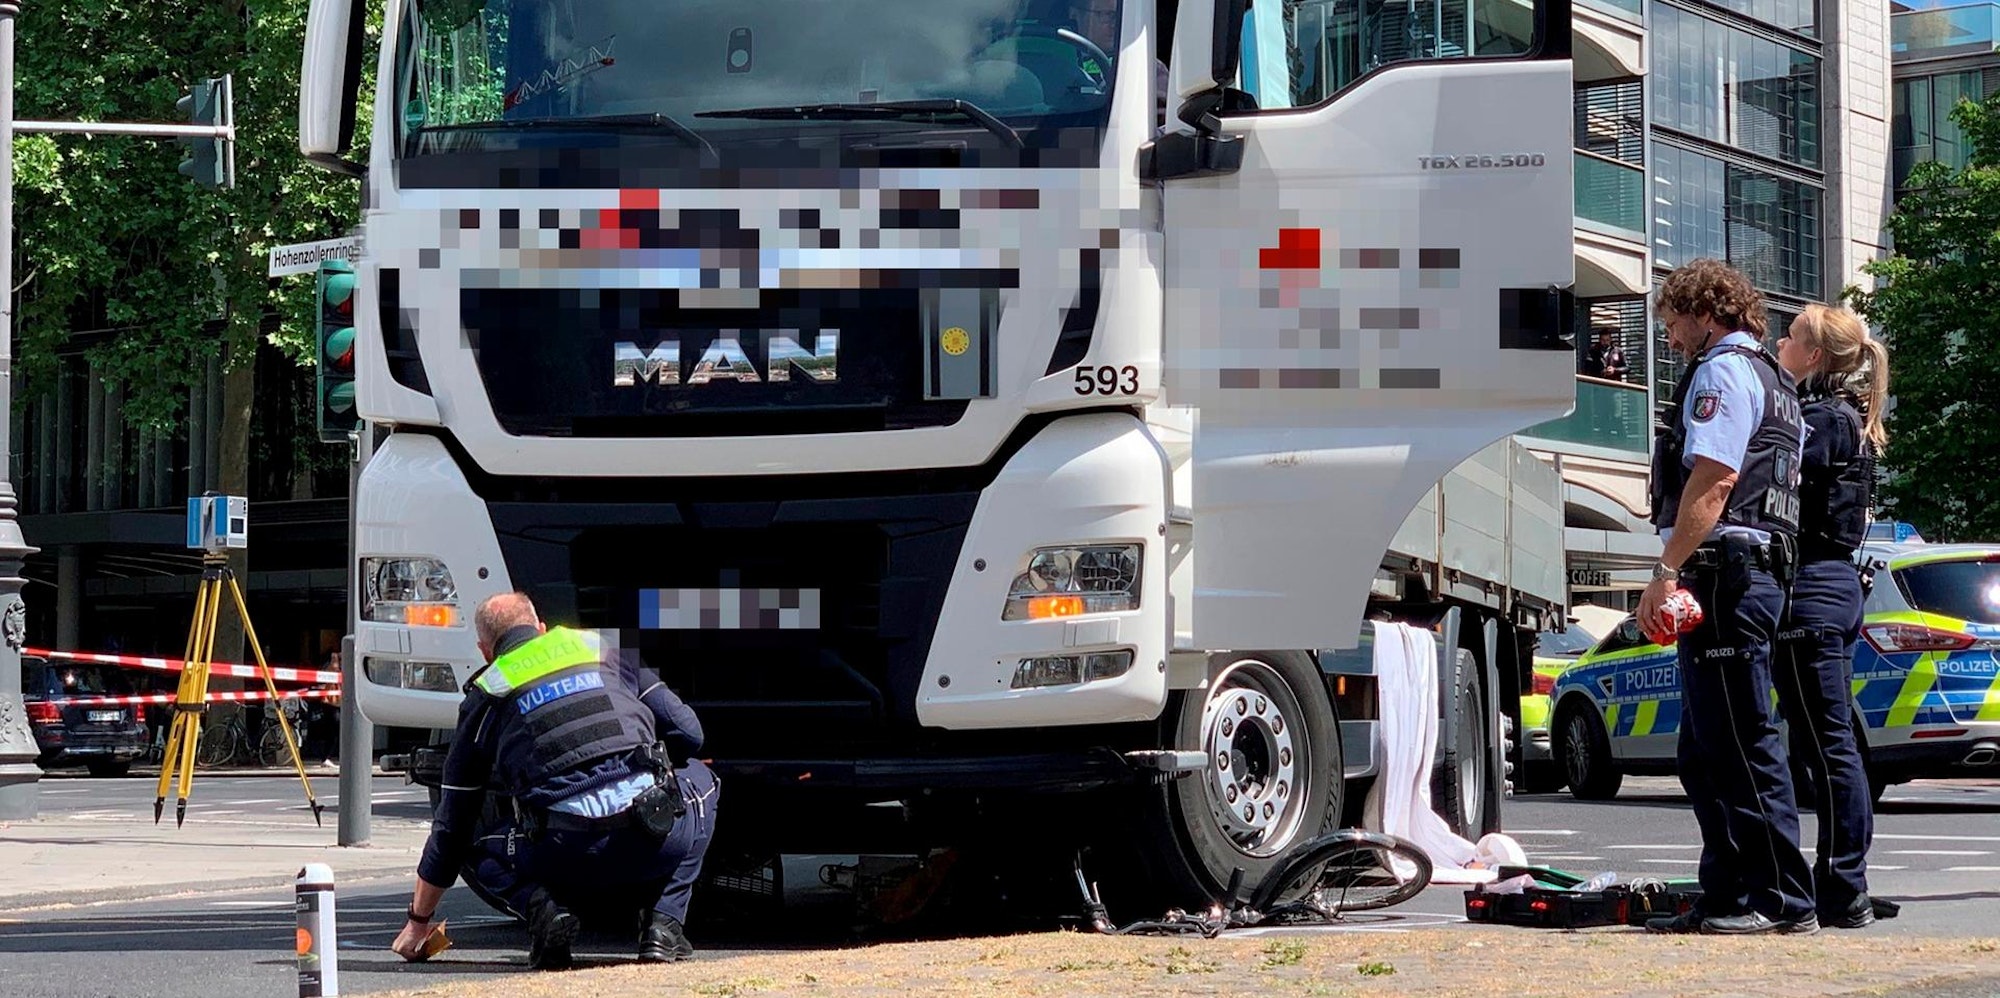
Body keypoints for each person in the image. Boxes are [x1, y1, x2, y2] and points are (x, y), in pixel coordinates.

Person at [390, 593, 719, 968]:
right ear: (541, 627)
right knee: (703, 778)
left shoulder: (487, 693)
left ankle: (543, 912)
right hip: (651, 833)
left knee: (468, 841)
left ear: (485, 651)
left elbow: (450, 828)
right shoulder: (601, 648)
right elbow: (689, 734)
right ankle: (664, 924)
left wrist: (418, 924)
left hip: (563, 853)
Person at [1639, 258, 1817, 936]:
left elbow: (1713, 481)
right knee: (1707, 747)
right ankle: (1728, 892)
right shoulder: (1778, 382)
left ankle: (1780, 900)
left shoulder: (1720, 373)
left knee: (1740, 745)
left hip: (1728, 571)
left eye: (1676, 322)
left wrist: (1666, 569)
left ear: (1706, 312)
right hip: (1759, 572)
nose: (1673, 337)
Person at [1771, 303, 1889, 929]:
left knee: (1827, 746)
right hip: (1830, 587)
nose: (1778, 343)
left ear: (1814, 356)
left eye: (1789, 337)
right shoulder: (1842, 418)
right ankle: (1842, 882)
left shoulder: (1822, 421)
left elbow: (1772, 478)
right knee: (1828, 744)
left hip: (1813, 589)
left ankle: (1844, 887)